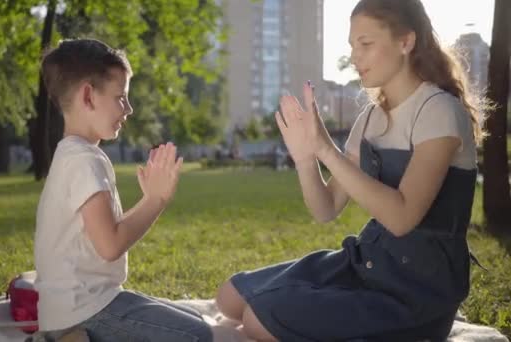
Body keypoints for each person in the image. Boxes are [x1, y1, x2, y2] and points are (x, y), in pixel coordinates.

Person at [215, 0, 487, 340]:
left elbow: (402, 218)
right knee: (229, 297)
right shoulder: (370, 118)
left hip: (414, 291)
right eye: (352, 45)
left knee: (258, 318)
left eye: (366, 44)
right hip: (366, 261)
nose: (355, 57)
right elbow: (326, 208)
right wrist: (305, 158)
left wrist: (327, 149)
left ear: (406, 42)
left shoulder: (439, 112)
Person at [33, 38, 212, 342]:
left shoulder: (72, 154)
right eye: (121, 97)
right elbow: (111, 245)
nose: (128, 109)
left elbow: (103, 235)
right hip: (83, 310)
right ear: (88, 96)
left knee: (195, 319)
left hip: (72, 307)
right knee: (197, 335)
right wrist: (155, 200)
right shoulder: (83, 160)